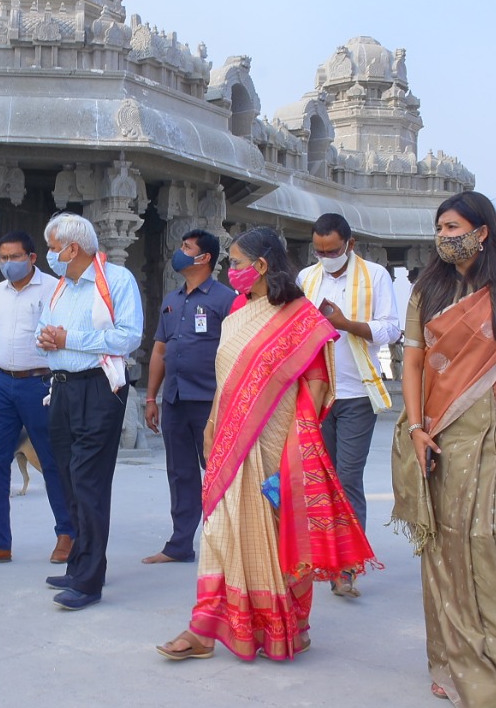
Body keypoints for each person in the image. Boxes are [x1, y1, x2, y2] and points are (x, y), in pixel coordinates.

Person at [155, 227, 375, 662]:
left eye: (235, 263)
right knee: (221, 530)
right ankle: (205, 627)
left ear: (259, 266)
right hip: (229, 439)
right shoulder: (237, 309)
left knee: (274, 537)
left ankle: (287, 627)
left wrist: (299, 441)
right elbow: (229, 379)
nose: (229, 271)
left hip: (276, 440)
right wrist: (215, 426)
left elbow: (314, 383)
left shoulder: (300, 317)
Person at [390, 191, 496, 708]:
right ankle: (449, 662)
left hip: (495, 429)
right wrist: (416, 426)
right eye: (439, 226)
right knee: (442, 544)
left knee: (488, 543)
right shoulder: (428, 286)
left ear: (482, 232)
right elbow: (412, 360)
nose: (444, 234)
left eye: (453, 225)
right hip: (437, 428)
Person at [35, 213, 143, 610]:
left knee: (89, 481)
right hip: (61, 388)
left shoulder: (116, 280)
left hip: (99, 388)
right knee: (67, 477)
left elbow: (128, 336)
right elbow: (45, 328)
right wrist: (46, 337)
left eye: (51, 247)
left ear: (71, 248)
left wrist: (69, 338)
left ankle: (89, 580)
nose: (50, 255)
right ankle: (79, 563)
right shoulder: (63, 286)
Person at [0, 231, 75, 567]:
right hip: (0, 383)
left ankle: (67, 533)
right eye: (3, 258)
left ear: (32, 258)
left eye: (15, 257)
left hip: (39, 383)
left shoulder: (54, 288)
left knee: (52, 460)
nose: (8, 264)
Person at [296, 213, 399, 598]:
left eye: (333, 251)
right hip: (317, 393)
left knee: (347, 478)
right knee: (318, 481)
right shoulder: (306, 278)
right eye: (319, 251)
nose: (326, 257)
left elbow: (391, 328)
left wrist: (346, 324)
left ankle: (348, 566)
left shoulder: (374, 275)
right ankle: (322, 556)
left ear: (350, 245)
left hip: (357, 394)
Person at [143, 229, 236, 565]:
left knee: (219, 472)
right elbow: (160, 350)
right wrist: (152, 397)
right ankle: (180, 544)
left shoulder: (226, 300)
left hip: (212, 403)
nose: (179, 252)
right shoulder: (172, 300)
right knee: (180, 473)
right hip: (175, 401)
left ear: (204, 257)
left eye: (186, 247)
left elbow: (237, 352)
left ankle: (226, 544)